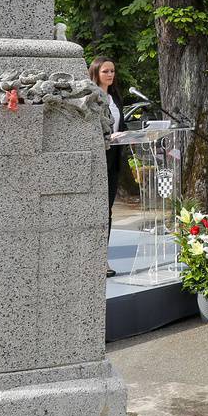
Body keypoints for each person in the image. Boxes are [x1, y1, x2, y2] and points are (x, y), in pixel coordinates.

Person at [90, 58, 125, 263]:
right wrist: (105, 137)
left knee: (107, 210)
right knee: (96, 208)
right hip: (97, 158)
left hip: (113, 160)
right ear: (95, 73)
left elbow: (121, 126)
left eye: (112, 71)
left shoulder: (115, 98)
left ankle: (103, 258)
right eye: (105, 71)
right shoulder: (91, 97)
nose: (110, 75)